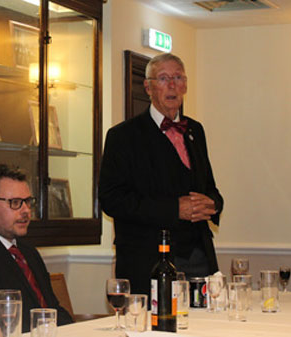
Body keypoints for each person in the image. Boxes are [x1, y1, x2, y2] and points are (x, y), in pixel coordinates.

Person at [99, 53, 224, 296]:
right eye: (164, 78)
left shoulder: (195, 130)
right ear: (148, 87)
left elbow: (211, 188)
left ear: (185, 85)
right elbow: (112, 200)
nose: (172, 85)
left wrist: (213, 204)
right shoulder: (122, 136)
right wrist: (174, 209)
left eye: (178, 78)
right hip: (147, 259)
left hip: (199, 256)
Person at [0, 164, 73, 333]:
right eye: (15, 203)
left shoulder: (28, 251)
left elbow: (52, 309)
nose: (26, 211)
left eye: (28, 202)